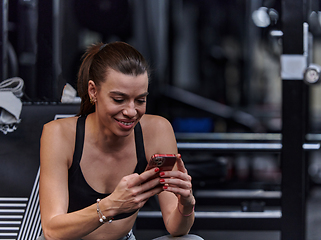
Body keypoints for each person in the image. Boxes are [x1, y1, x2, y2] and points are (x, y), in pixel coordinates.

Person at [38, 41, 202, 240]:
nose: (131, 112)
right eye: (118, 99)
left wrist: (186, 203)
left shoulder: (158, 130)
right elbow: (52, 231)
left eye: (140, 100)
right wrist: (111, 205)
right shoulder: (59, 134)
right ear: (93, 91)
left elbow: (176, 229)